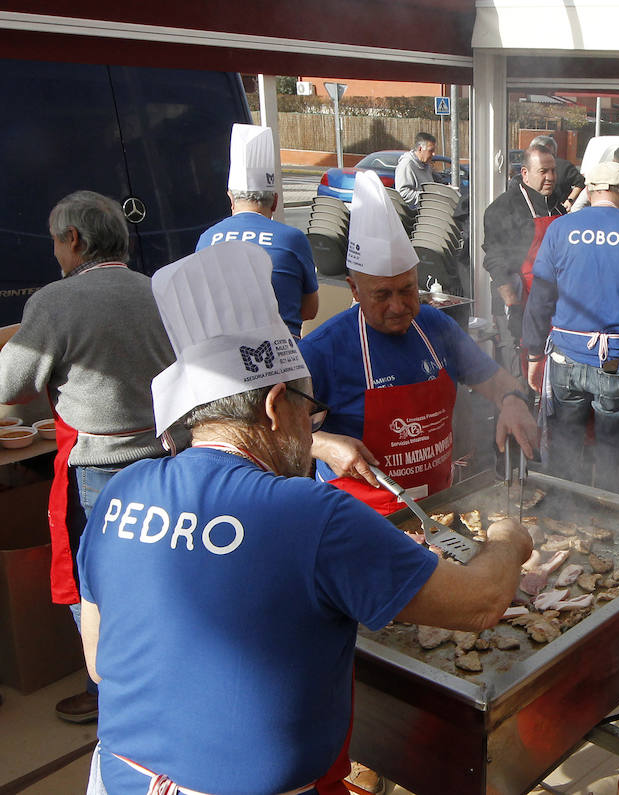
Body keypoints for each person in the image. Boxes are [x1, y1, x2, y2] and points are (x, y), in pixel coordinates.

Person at [78, 241, 532, 794]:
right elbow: (482, 602)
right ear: (275, 405)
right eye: (308, 411)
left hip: (114, 779)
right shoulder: (311, 514)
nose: (310, 426)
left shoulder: (119, 494)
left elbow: (101, 662)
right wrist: (507, 539)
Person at [0, 190, 182, 726]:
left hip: (98, 474)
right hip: (167, 457)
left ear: (73, 240)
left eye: (57, 241)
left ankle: (111, 695)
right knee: (159, 580)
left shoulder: (56, 301)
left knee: (96, 588)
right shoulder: (158, 291)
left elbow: (11, 385)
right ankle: (159, 686)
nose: (56, 252)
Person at [303, 170, 537, 515]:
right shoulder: (324, 348)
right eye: (382, 294)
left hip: (441, 507)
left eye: (407, 289)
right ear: (354, 289)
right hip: (359, 518)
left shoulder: (435, 326)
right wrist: (321, 445)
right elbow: (277, 432)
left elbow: (493, 379)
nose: (398, 306)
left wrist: (512, 400)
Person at [523, 162, 619, 493]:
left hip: (566, 358)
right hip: (617, 362)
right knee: (612, 453)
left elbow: (539, 299)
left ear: (591, 190)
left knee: (565, 449)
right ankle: (609, 516)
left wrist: (535, 356)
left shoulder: (560, 229)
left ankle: (563, 517)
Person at [197, 124, 318, 338]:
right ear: (275, 202)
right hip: (284, 356)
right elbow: (310, 310)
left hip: (223, 357)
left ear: (231, 199)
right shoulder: (292, 240)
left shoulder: (206, 239)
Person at [482, 146, 563, 371]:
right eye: (543, 171)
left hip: (549, 304)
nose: (550, 177)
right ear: (525, 173)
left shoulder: (556, 204)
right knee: (519, 374)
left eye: (553, 171)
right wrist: (514, 307)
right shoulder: (504, 208)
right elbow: (495, 262)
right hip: (516, 302)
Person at [528, 134, 585, 212]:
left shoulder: (564, 166)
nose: (549, 177)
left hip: (558, 211)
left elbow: (581, 182)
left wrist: (570, 200)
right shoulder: (528, 169)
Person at [394, 131, 438, 209]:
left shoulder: (426, 165)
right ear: (420, 149)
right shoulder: (407, 165)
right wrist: (427, 197)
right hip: (416, 213)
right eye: (431, 150)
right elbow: (403, 193)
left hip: (429, 208)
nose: (434, 154)